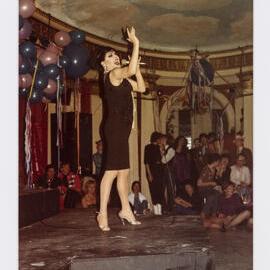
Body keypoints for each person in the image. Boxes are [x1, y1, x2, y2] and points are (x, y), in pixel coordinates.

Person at [97, 27, 146, 231]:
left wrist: (137, 67)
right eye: (111, 56)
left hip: (122, 129)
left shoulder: (123, 79)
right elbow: (130, 70)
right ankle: (102, 213)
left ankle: (125, 209)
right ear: (104, 63)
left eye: (116, 55)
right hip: (115, 128)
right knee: (111, 172)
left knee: (123, 172)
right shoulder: (112, 75)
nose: (115, 57)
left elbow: (142, 88)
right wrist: (135, 43)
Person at [144, 131, 164, 215]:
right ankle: (156, 209)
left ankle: (160, 209)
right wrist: (149, 174)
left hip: (160, 170)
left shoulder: (159, 147)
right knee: (153, 189)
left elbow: (162, 160)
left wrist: (161, 150)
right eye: (160, 139)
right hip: (152, 170)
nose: (161, 140)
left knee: (160, 189)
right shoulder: (148, 147)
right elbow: (146, 162)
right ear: (156, 139)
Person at [197, 153, 222, 218]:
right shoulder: (206, 170)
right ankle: (203, 213)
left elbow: (215, 180)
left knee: (218, 193)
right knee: (212, 196)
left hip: (210, 189)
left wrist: (218, 172)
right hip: (203, 189)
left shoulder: (214, 169)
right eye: (218, 161)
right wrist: (210, 183)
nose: (219, 163)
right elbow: (199, 183)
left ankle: (214, 213)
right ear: (215, 161)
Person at [160, 133, 176, 211]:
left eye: (163, 139)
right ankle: (165, 207)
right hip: (163, 171)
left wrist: (162, 151)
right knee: (164, 189)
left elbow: (164, 160)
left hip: (169, 171)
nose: (161, 140)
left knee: (170, 189)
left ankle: (172, 207)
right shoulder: (163, 149)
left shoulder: (171, 150)